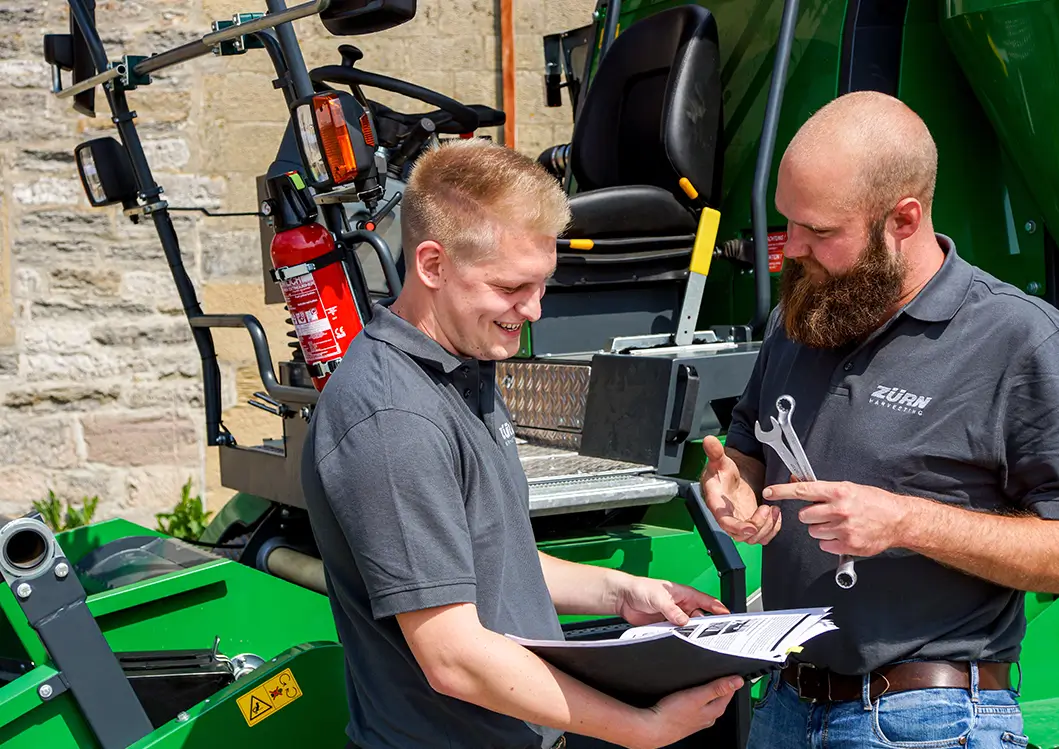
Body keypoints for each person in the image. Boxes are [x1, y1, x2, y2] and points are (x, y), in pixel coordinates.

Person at [300, 138, 744, 749]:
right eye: (512, 287)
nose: (533, 310)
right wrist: (641, 729)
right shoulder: (393, 416)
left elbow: (490, 564)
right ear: (432, 265)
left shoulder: (464, 367)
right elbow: (453, 657)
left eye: (542, 285)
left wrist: (620, 592)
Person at [700, 90, 1059, 748]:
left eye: (819, 232)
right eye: (787, 222)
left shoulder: (1020, 341)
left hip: (927, 720)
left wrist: (906, 521)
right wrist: (734, 484)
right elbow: (749, 444)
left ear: (903, 219)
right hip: (785, 707)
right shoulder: (800, 317)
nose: (792, 249)